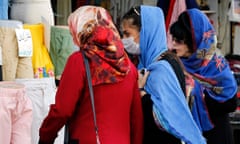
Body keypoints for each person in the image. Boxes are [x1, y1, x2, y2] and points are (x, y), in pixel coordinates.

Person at [38, 5, 143, 144]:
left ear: (83, 31)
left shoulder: (79, 61)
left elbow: (62, 110)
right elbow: (136, 119)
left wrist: (45, 137)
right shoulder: (128, 67)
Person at [121, 5, 206, 144]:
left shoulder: (161, 70)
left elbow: (164, 119)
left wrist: (141, 93)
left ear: (146, 32)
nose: (123, 40)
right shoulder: (154, 62)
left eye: (127, 34)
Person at [170, 8, 238, 144]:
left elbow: (231, 103)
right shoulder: (176, 65)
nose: (173, 44)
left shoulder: (217, 67)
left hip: (216, 136)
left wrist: (199, 94)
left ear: (195, 40)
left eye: (179, 40)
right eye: (173, 39)